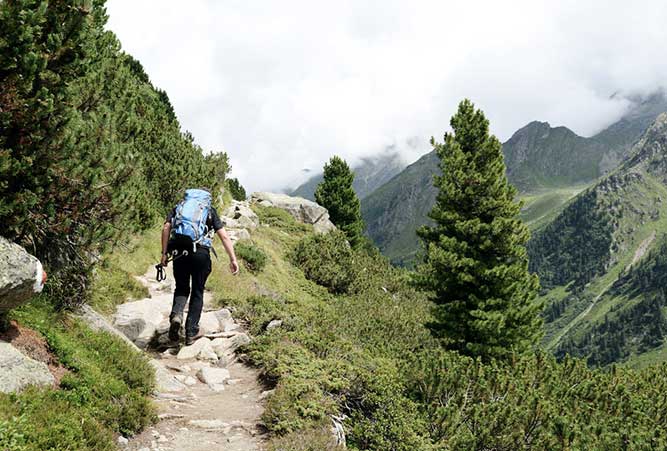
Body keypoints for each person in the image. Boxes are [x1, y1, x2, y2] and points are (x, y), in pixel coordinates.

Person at [161, 189, 239, 346]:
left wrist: (164, 254)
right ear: (207, 198)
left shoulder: (179, 207)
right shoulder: (209, 210)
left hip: (179, 252)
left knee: (181, 288)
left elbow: (166, 228)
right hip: (200, 254)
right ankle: (191, 332)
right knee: (197, 290)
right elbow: (224, 236)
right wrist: (233, 259)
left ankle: (176, 316)